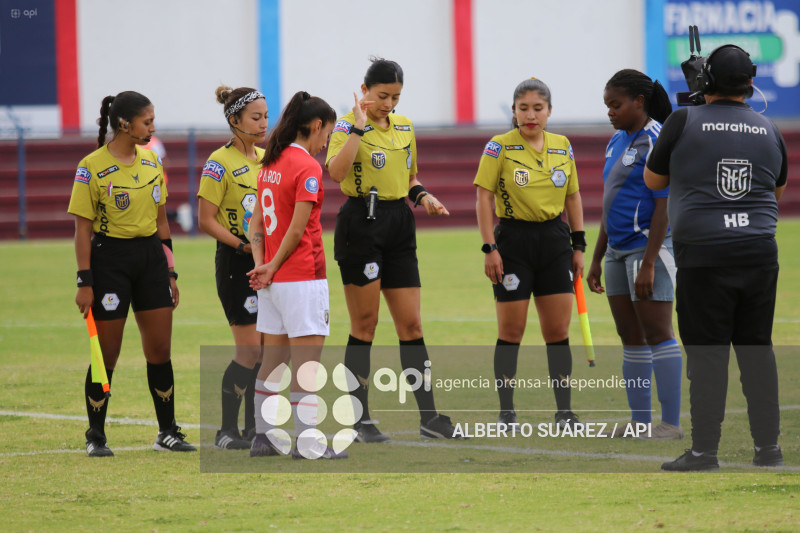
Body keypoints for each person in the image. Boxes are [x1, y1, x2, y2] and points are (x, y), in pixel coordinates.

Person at [644, 45, 787, 471]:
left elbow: (655, 180)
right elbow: (774, 192)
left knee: (707, 356)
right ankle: (768, 449)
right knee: (756, 352)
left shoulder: (682, 119)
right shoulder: (769, 127)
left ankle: (705, 450)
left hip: (704, 255)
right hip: (759, 252)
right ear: (751, 82)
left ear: (705, 81)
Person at [326, 58, 459, 442]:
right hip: (361, 224)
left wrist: (425, 196)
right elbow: (335, 173)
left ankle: (430, 418)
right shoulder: (346, 124)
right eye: (382, 95)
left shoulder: (405, 125)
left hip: (399, 223)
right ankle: (360, 419)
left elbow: (410, 177)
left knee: (412, 325)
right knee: (364, 326)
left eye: (395, 97)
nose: (389, 104)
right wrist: (357, 127)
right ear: (365, 90)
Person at [68, 91, 195, 456]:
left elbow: (161, 224)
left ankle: (167, 432)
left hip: (151, 260)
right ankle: (96, 436)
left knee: (160, 350)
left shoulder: (152, 160)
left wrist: (170, 272)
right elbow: (82, 231)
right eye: (147, 121)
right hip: (110, 261)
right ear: (125, 124)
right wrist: (85, 281)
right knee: (105, 355)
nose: (152, 127)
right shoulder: (90, 166)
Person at [474, 78, 585, 429]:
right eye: (524, 108)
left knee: (557, 331)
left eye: (538, 108)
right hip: (513, 244)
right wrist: (490, 247)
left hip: (554, 241)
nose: (531, 115)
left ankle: (564, 412)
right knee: (511, 331)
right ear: (514, 111)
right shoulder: (499, 147)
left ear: (550, 111)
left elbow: (573, 197)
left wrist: (578, 245)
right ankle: (506, 411)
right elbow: (484, 198)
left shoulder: (562, 145)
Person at [247, 90, 346, 459]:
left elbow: (256, 222)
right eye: (327, 135)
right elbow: (296, 229)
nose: (325, 144)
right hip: (302, 278)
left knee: (272, 364)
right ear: (317, 126)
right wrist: (271, 265)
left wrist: (263, 263)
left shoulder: (271, 162)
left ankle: (264, 436)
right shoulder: (306, 167)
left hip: (273, 282)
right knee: (307, 367)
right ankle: (308, 443)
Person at [586, 69, 683, 440]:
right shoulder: (615, 141)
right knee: (630, 336)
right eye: (607, 105)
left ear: (639, 102)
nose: (610, 111)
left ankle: (671, 424)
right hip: (615, 251)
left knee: (658, 332)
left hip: (648, 250)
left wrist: (648, 263)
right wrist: (597, 257)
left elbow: (664, 206)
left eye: (616, 104)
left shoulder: (658, 139)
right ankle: (640, 422)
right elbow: (612, 203)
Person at [197, 85, 268, 450]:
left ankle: (254, 428)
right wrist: (243, 245)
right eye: (255, 118)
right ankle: (226, 430)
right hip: (237, 261)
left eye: (266, 116)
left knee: (266, 350)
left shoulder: (267, 159)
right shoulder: (218, 162)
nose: (263, 124)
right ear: (234, 120)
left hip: (267, 263)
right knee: (249, 351)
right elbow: (206, 219)